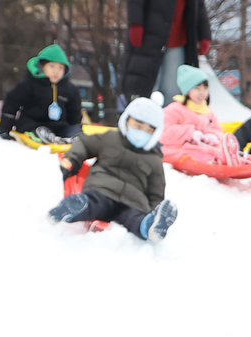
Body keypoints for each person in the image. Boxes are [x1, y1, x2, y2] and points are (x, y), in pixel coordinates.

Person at [45, 96, 178, 242]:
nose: (142, 133)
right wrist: (73, 160)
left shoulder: (154, 159)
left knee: (135, 218)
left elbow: (156, 193)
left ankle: (150, 225)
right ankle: (71, 208)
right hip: (103, 190)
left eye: (149, 130)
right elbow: (84, 144)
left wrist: (155, 211)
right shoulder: (110, 139)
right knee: (94, 204)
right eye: (138, 125)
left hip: (132, 202)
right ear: (126, 119)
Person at [160, 63, 251, 165]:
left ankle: (250, 160)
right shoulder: (175, 109)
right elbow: (163, 132)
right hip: (181, 152)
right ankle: (227, 162)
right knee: (208, 158)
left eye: (205, 88)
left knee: (219, 154)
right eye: (197, 88)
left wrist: (212, 136)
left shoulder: (207, 111)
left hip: (207, 150)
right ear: (187, 90)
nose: (202, 93)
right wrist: (190, 133)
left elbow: (217, 129)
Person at [123, 0, 211, 101]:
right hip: (149, 39)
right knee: (148, 88)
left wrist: (204, 34)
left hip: (178, 40)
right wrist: (135, 24)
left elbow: (198, 4)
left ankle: (171, 111)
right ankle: (145, 109)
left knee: (173, 92)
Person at [0, 44, 81, 144]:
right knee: (34, 128)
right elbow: (11, 103)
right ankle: (40, 135)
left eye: (60, 68)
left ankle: (73, 138)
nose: (56, 71)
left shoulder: (69, 89)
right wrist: (5, 129)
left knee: (73, 131)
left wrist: (75, 128)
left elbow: (74, 113)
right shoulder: (30, 84)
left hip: (59, 127)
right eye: (52, 66)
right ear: (42, 65)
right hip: (32, 123)